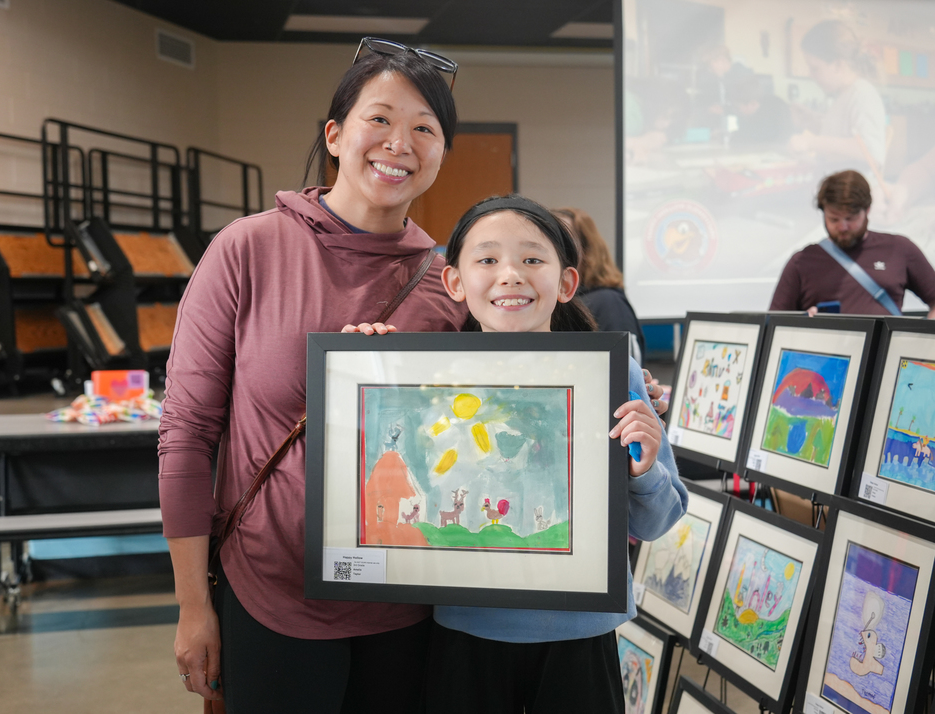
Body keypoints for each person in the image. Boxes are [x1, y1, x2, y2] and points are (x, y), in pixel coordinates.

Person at [158, 39, 468, 713]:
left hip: (409, 608)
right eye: (380, 118)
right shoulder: (247, 249)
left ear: (442, 152)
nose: (400, 142)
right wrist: (191, 605)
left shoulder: (450, 282)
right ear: (335, 135)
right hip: (269, 599)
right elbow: (186, 435)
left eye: (425, 128)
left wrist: (622, 393)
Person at [345, 195, 686, 714]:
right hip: (466, 628)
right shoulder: (421, 376)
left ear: (566, 282)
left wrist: (644, 468)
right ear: (455, 282)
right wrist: (362, 367)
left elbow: (658, 521)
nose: (510, 275)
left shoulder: (616, 377)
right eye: (486, 260)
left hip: (581, 631)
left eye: (532, 259)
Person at [769, 170, 935, 317]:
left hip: (886, 352)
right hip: (825, 351)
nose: (842, 227)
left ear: (867, 210)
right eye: (834, 219)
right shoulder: (801, 262)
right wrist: (801, 325)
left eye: (850, 218)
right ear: (823, 213)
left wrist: (926, 342)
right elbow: (773, 327)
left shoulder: (899, 248)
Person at [789, 20, 886, 172]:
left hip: (853, 190)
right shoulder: (844, 94)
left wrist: (812, 142)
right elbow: (840, 135)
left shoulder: (861, 94)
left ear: (837, 65)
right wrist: (812, 122)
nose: (810, 75)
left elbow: (870, 150)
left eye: (815, 68)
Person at [554, 207, 647, 366]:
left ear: (587, 250)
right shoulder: (551, 303)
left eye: (562, 242)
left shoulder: (608, 302)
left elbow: (626, 372)